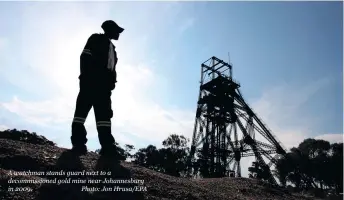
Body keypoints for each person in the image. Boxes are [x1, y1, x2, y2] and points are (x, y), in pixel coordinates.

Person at [70, 20, 124, 157]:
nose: (118, 34)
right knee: (80, 115)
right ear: (109, 30)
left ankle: (107, 147)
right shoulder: (96, 39)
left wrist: (111, 84)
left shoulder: (113, 49)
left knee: (104, 118)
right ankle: (78, 143)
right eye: (117, 30)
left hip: (104, 89)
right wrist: (86, 78)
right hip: (90, 83)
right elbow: (85, 57)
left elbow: (111, 69)